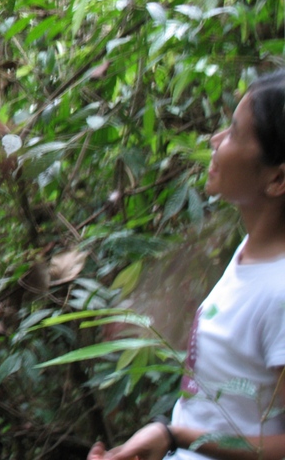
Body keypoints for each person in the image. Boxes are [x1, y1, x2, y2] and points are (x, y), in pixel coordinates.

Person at [88, 70, 285, 460]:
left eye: (233, 132)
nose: (214, 141)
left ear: (277, 178)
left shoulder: (280, 287)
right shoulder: (251, 250)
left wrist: (174, 435)